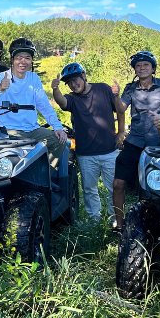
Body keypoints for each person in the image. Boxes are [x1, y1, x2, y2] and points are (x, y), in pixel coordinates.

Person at [52, 63, 125, 222]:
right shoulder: (72, 98)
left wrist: (121, 131)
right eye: (69, 83)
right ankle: (94, 219)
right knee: (89, 189)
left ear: (84, 76)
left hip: (109, 150)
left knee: (114, 187)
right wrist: (55, 90)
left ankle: (114, 219)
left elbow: (120, 110)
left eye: (75, 80)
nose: (73, 84)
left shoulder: (103, 89)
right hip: (85, 154)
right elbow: (62, 102)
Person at [112, 51, 160, 230]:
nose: (142, 68)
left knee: (159, 186)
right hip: (135, 141)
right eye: (138, 66)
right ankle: (120, 225)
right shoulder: (131, 88)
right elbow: (121, 109)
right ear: (134, 69)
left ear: (153, 68)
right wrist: (116, 96)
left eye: (146, 65)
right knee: (118, 183)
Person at [0, 37, 67, 168]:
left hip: (32, 129)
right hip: (7, 130)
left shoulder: (33, 78)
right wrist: (0, 89)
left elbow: (44, 105)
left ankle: (44, 175)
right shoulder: (1, 77)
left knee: (59, 141)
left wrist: (57, 127)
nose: (23, 61)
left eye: (27, 58)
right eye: (19, 57)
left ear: (31, 60)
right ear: (12, 59)